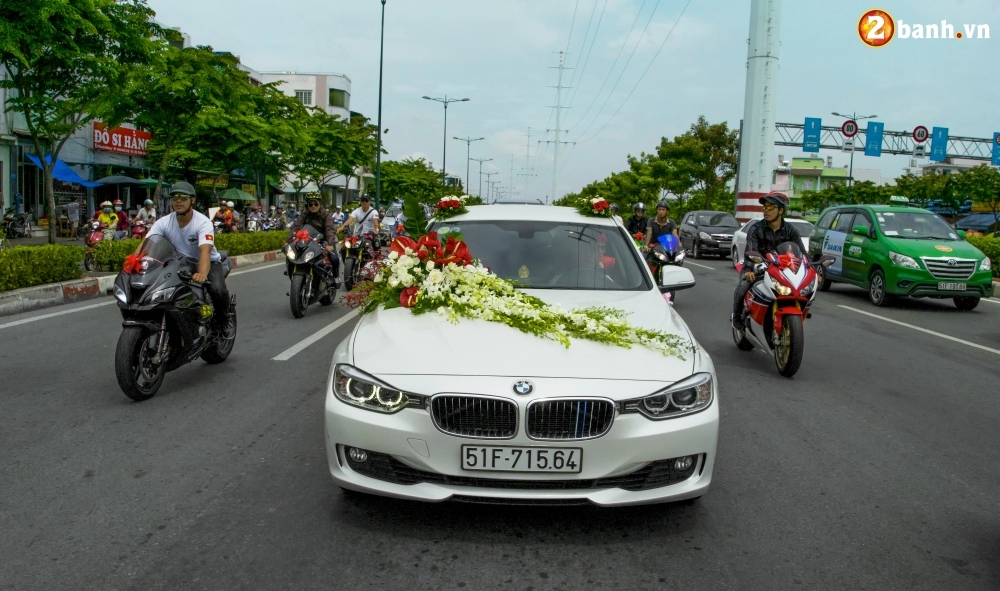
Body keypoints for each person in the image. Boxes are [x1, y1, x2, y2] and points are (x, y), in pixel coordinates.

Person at [138, 182, 234, 338]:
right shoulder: (164, 222)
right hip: (177, 263)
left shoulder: (202, 222)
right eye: (175, 197)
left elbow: (205, 251)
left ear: (192, 201)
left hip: (206, 262)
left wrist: (202, 273)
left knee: (217, 289)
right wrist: (133, 263)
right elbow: (146, 244)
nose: (178, 201)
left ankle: (225, 322)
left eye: (183, 197)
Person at [731, 192, 802, 331]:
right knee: (743, 286)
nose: (766, 210)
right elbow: (750, 250)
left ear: (781, 210)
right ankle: (737, 317)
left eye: (770, 207)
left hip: (782, 269)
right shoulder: (756, 229)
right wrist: (749, 269)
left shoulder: (791, 231)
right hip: (758, 267)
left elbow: (802, 253)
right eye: (764, 207)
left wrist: (814, 270)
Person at [287, 197, 341, 287]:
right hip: (308, 239)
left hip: (324, 239)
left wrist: (330, 244)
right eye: (310, 204)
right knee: (292, 254)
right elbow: (296, 227)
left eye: (316, 204)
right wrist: (288, 241)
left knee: (334, 257)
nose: (313, 206)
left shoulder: (326, 215)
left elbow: (330, 230)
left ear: (319, 204)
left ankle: (336, 277)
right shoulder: (304, 214)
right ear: (307, 205)